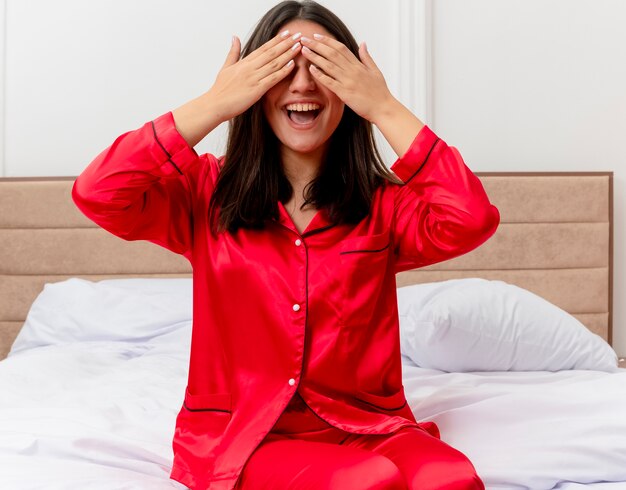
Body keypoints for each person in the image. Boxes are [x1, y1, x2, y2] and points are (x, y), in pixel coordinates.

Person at [73, 1, 500, 488]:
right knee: (370, 481)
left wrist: (384, 107)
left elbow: (471, 219)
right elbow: (98, 191)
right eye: (282, 68)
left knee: (452, 479)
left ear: (349, 90)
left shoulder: (384, 206)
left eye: (322, 67)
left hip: (364, 425)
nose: (302, 85)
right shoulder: (204, 193)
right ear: (254, 86)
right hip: (244, 432)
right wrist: (214, 104)